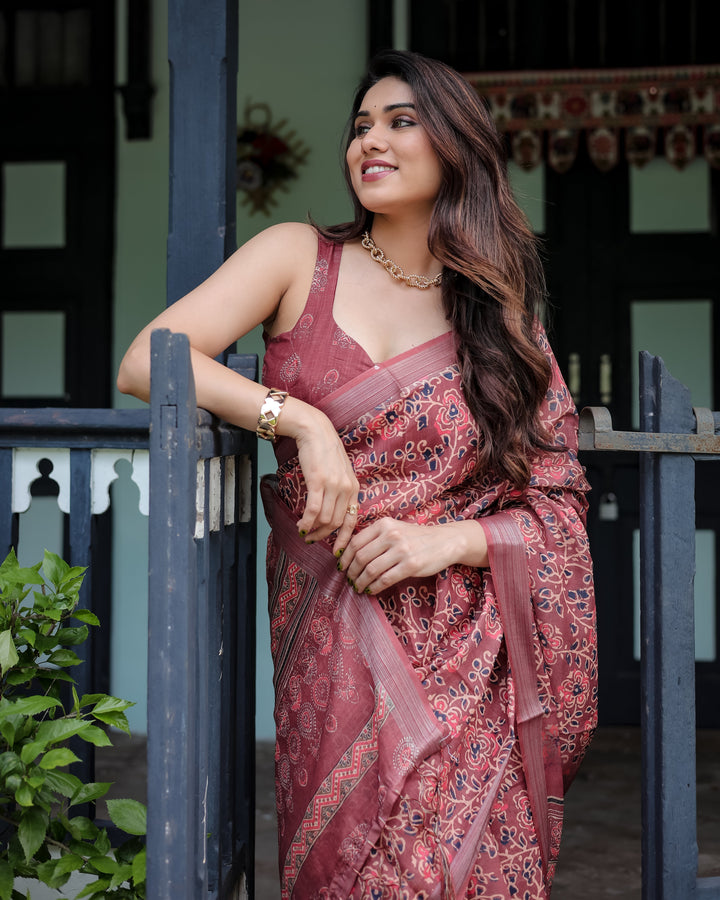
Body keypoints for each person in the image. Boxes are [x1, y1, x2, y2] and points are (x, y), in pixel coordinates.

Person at [118, 49, 597, 900]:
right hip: (335, 645)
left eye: (400, 122)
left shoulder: (496, 314)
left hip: (468, 655)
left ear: (455, 146)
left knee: (472, 869)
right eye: (361, 125)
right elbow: (148, 362)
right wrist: (296, 419)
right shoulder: (298, 255)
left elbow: (556, 503)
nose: (369, 140)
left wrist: (444, 540)